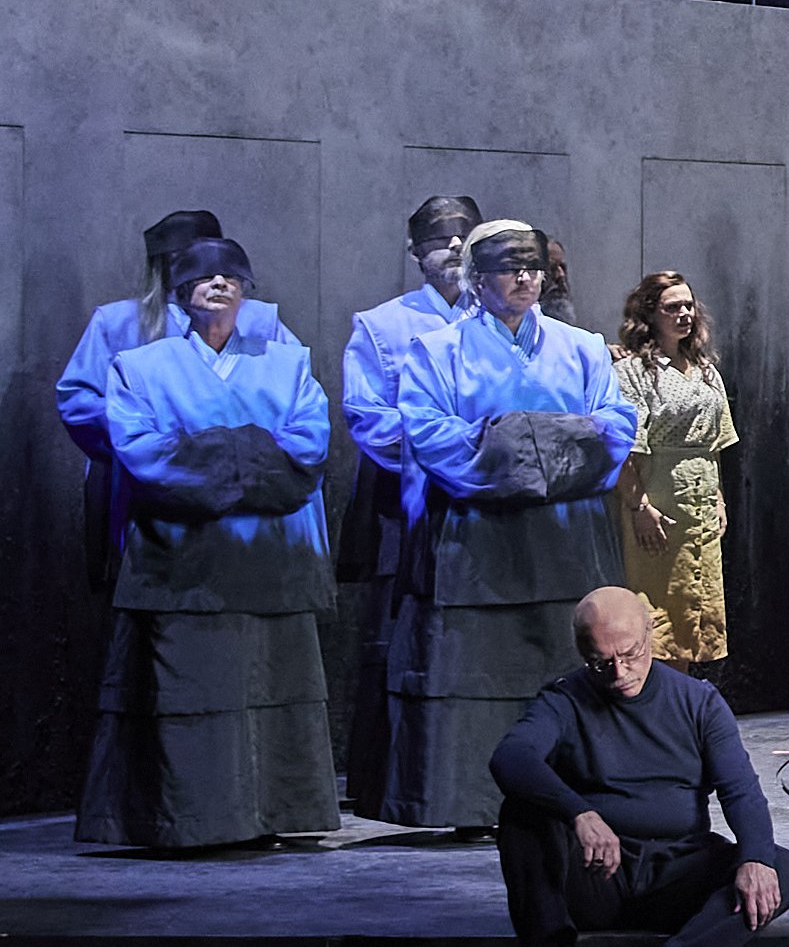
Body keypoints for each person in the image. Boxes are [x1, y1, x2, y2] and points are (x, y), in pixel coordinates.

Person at [381, 218, 643, 830]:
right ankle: (475, 803)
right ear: (477, 277)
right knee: (477, 670)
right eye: (508, 267)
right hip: (477, 539)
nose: (525, 277)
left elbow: (614, 425)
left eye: (533, 267)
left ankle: (581, 794)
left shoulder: (581, 346)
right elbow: (431, 435)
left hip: (567, 537)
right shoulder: (436, 351)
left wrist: (514, 441)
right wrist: (538, 444)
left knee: (568, 661)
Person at [77, 237, 338, 848]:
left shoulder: (287, 363)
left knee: (273, 686)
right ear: (178, 293)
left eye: (231, 276)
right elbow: (143, 452)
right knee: (187, 694)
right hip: (180, 563)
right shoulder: (140, 367)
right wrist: (251, 450)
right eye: (205, 277)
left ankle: (273, 814)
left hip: (271, 557)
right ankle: (191, 821)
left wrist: (209, 449)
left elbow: (309, 445)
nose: (219, 284)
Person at [490, 587, 789, 947]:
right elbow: (510, 758)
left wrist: (754, 858)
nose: (619, 672)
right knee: (522, 815)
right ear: (582, 652)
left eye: (630, 654)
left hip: (676, 874)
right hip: (598, 877)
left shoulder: (698, 701)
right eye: (601, 662)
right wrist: (579, 813)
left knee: (779, 866)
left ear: (650, 633)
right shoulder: (564, 700)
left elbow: (741, 792)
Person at [339, 195, 481, 821]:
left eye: (462, 235)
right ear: (413, 250)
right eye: (437, 237)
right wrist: (449, 447)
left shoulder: (503, 317)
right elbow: (368, 417)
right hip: (408, 500)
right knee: (401, 639)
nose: (451, 246)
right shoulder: (381, 325)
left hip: (488, 501)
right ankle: (394, 782)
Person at [58, 212, 293, 575]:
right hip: (149, 490)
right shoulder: (119, 323)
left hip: (243, 490)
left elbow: (296, 394)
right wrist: (150, 436)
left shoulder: (260, 322)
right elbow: (78, 400)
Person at [609, 271, 740, 675]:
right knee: (656, 604)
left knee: (694, 604)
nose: (684, 314)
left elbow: (715, 442)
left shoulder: (706, 371)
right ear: (650, 314)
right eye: (672, 307)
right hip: (657, 498)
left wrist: (718, 498)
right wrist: (638, 506)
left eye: (688, 305)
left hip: (700, 504)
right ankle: (648, 697)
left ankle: (680, 698)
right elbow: (623, 448)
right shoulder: (634, 372)